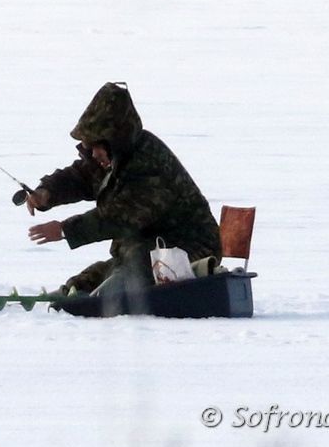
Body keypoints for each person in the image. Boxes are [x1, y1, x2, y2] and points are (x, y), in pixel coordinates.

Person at [26, 82, 221, 295]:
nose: (92, 154)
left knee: (120, 281)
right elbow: (80, 176)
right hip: (142, 252)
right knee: (85, 282)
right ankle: (70, 296)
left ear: (113, 140)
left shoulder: (150, 164)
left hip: (187, 251)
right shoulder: (116, 158)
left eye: (95, 147)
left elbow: (120, 217)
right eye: (87, 148)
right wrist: (47, 192)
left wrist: (66, 229)